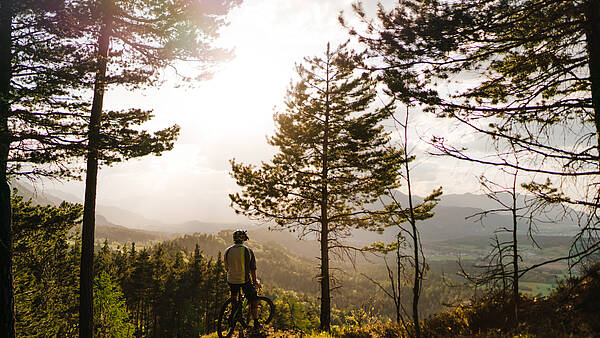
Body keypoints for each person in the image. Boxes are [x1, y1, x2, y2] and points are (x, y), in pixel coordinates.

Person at [224, 229, 262, 331]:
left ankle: (234, 312)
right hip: (244, 280)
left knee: (234, 296)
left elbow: (226, 267)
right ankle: (256, 322)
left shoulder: (227, 251)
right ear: (243, 239)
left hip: (231, 279)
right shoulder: (248, 251)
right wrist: (255, 281)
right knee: (253, 299)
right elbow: (252, 269)